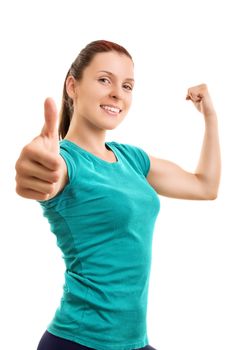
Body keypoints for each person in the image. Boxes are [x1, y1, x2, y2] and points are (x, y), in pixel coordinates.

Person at [15, 40, 221, 350]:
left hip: (133, 342)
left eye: (127, 86)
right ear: (73, 86)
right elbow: (49, 177)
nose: (117, 93)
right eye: (104, 80)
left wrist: (210, 117)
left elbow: (205, 186)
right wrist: (36, 170)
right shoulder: (66, 160)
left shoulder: (132, 159)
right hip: (77, 342)